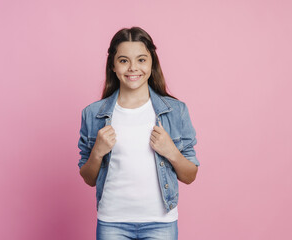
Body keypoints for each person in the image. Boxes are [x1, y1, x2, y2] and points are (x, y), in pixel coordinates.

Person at [78, 26, 200, 240]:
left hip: (161, 223)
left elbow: (190, 176)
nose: (133, 68)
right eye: (124, 60)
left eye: (141, 60)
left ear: (152, 63)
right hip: (112, 223)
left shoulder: (175, 111)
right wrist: (97, 152)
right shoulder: (93, 114)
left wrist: (171, 151)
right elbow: (89, 178)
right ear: (113, 66)